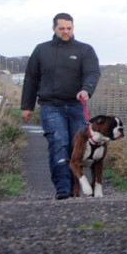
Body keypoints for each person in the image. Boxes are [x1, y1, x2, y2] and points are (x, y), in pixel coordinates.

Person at [21, 13, 101, 200]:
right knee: (59, 143)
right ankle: (62, 188)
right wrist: (27, 106)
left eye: (69, 28)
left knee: (77, 148)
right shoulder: (41, 50)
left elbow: (92, 73)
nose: (65, 32)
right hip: (50, 105)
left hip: (76, 105)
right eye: (61, 28)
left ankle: (76, 186)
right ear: (54, 29)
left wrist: (86, 90)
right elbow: (31, 79)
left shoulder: (84, 50)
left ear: (73, 28)